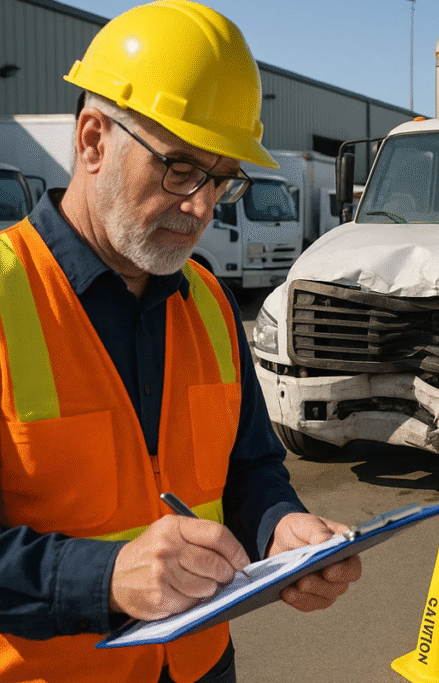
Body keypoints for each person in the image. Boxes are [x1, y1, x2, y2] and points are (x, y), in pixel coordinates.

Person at [0, 2, 360, 682]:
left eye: (221, 178)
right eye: (179, 168)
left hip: (200, 667)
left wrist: (280, 528)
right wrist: (104, 576)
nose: (201, 207)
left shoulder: (209, 301)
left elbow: (249, 469)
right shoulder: (4, 296)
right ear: (93, 139)